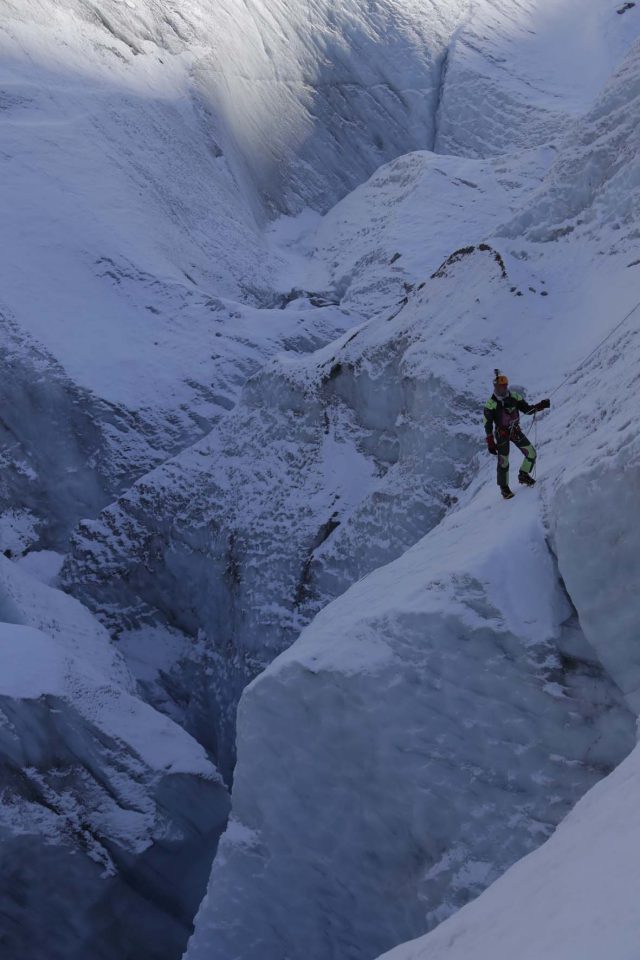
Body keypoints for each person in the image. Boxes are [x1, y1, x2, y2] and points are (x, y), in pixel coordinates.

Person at [484, 371, 550, 499]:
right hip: (501, 434)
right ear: (495, 387)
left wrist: (540, 406)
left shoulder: (514, 396)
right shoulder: (490, 404)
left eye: (505, 386)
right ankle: (504, 488)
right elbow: (488, 424)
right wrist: (490, 441)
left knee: (531, 453)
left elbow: (527, 409)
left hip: (515, 431)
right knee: (503, 461)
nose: (503, 388)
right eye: (500, 386)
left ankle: (523, 475)